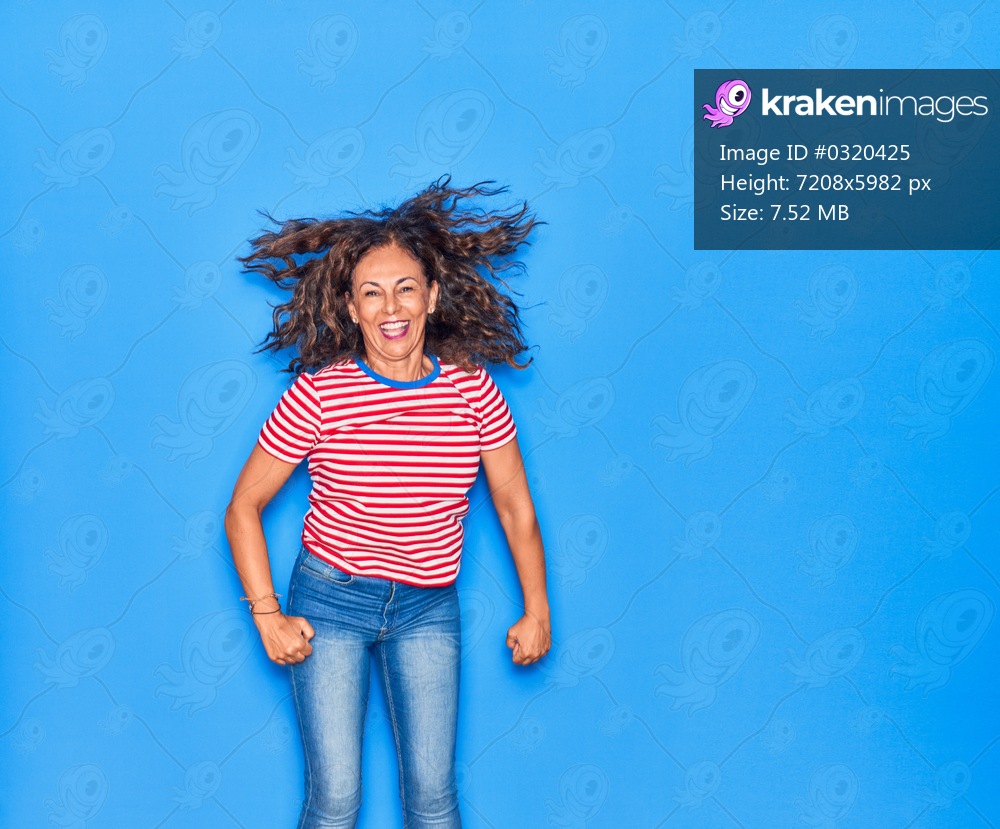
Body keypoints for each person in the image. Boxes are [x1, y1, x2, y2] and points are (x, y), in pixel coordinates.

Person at [224, 178, 551, 829]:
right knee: (336, 798)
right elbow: (243, 507)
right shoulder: (321, 395)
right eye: (371, 292)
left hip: (428, 606)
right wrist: (268, 616)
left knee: (433, 800)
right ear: (350, 308)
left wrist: (537, 608)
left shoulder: (472, 391)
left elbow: (516, 506)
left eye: (405, 287)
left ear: (431, 296)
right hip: (329, 602)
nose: (390, 305)